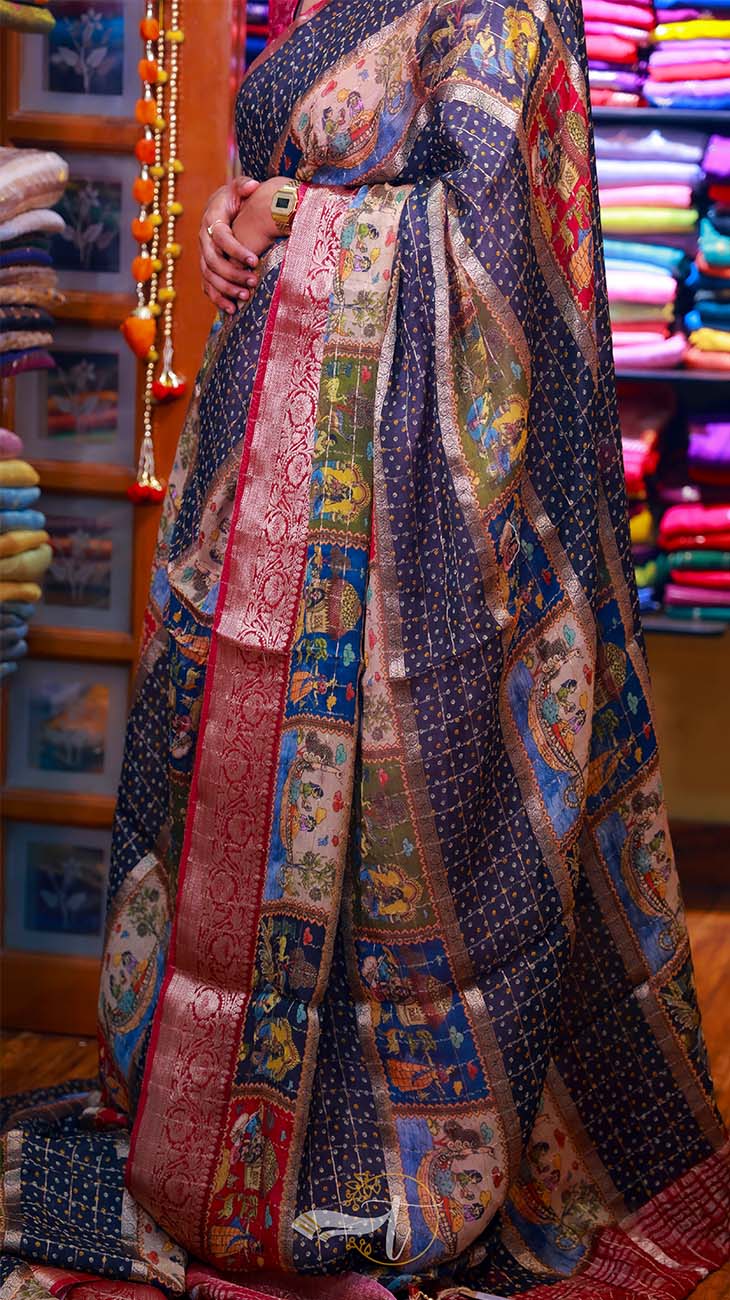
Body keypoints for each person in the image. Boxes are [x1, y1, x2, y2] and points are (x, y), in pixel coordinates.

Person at [2, 0, 729, 1297]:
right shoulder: (341, 9)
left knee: (406, 833)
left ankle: (375, 1162)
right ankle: (205, 1132)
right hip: (262, 486)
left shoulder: (509, 25)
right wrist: (237, 217)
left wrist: (295, 225)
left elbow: (496, 254)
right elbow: (286, 179)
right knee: (220, 803)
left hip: (421, 529)